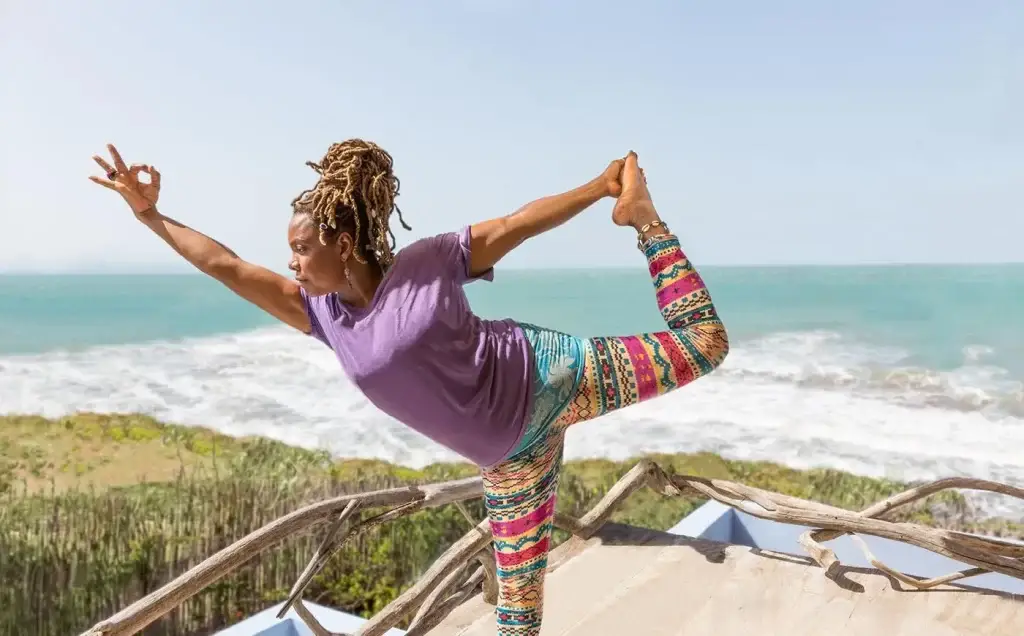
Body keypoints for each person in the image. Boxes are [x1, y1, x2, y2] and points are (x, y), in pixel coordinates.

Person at [89, 140, 730, 636]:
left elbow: (518, 224)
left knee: (705, 344)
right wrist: (151, 216)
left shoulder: (426, 263)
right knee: (518, 620)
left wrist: (600, 188)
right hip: (512, 460)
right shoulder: (323, 317)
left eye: (302, 249)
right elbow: (223, 264)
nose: (291, 262)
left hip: (550, 374)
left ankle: (645, 220)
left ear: (342, 243)